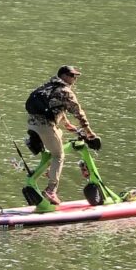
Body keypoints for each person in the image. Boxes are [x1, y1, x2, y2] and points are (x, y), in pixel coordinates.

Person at [26, 65, 97, 205]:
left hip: (32, 124)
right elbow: (79, 113)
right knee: (59, 155)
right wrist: (90, 133)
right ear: (63, 76)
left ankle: (48, 168)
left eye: (75, 76)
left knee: (57, 137)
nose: (74, 79)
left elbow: (55, 105)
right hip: (45, 126)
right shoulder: (65, 91)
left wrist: (66, 124)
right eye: (72, 76)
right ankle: (51, 191)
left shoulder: (47, 86)